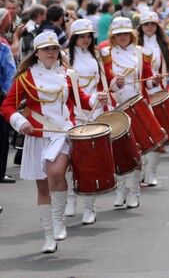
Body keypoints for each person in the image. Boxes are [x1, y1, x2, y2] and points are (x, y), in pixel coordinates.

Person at [1, 31, 108, 253]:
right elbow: (7, 106)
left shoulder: (68, 75)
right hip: (37, 136)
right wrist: (21, 123)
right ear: (37, 53)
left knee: (56, 172)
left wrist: (99, 98)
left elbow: (83, 100)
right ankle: (49, 236)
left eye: (54, 49)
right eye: (46, 49)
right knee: (42, 187)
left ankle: (59, 222)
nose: (51, 53)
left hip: (62, 133)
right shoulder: (26, 78)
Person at [101, 17, 155, 208]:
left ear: (131, 34)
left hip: (138, 106)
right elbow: (106, 81)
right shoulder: (105, 54)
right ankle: (120, 191)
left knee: (137, 150)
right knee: (117, 152)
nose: (123, 37)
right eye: (118, 34)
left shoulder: (142, 53)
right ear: (113, 36)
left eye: (125, 33)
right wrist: (115, 83)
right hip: (115, 107)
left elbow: (148, 81)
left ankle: (134, 193)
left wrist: (154, 80)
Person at [63, 19, 109, 224]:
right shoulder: (64, 58)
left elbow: (103, 80)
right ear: (74, 37)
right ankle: (71, 198)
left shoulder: (96, 54)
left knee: (90, 161)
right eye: (81, 36)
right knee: (69, 160)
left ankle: (90, 207)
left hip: (95, 109)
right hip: (71, 113)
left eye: (88, 36)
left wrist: (105, 95)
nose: (86, 39)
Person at [136, 11, 169, 185]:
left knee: (156, 135)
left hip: (158, 94)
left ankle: (151, 174)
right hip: (139, 95)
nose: (149, 27)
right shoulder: (135, 46)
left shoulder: (164, 44)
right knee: (141, 136)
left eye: (153, 24)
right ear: (141, 26)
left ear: (157, 26)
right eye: (146, 24)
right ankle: (140, 171)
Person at [0, 38, 16, 184]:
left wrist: (6, 97)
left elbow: (10, 76)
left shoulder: (3, 49)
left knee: (2, 138)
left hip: (1, 98)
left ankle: (1, 172)